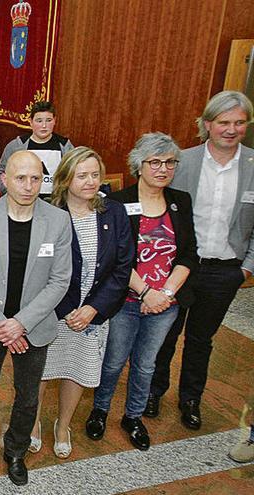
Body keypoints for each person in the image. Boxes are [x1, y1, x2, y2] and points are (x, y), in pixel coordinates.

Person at [0, 151, 72, 486]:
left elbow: (60, 280)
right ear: (4, 178)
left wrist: (20, 323)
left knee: (27, 394)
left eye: (35, 178)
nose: (27, 186)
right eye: (20, 178)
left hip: (33, 326)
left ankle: (16, 450)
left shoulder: (57, 220)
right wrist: (2, 325)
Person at [148, 91, 254, 430]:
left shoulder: (253, 166)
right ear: (208, 124)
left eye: (239, 123)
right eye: (224, 122)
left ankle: (190, 399)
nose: (231, 129)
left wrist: (246, 268)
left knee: (200, 339)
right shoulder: (182, 162)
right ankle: (152, 392)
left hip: (225, 271)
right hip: (179, 268)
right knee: (164, 334)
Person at [86, 132, 196, 452]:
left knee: (147, 363)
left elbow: (189, 254)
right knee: (113, 361)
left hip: (166, 302)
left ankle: (133, 416)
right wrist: (146, 291)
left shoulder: (181, 201)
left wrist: (165, 294)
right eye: (155, 162)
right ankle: (100, 410)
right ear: (139, 164)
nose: (163, 169)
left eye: (170, 162)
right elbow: (116, 257)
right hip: (126, 299)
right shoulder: (118, 203)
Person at [30, 147, 134, 459]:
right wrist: (65, 310)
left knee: (77, 370)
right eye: (82, 175)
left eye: (95, 175)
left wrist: (93, 309)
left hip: (93, 315)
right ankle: (33, 423)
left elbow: (122, 267)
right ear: (65, 178)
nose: (90, 181)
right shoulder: (47, 214)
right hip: (52, 311)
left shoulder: (113, 213)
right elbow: (38, 268)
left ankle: (63, 425)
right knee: (42, 371)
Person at [0, 101, 74, 197]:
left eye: (48, 120)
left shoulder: (65, 145)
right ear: (31, 121)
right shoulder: (17, 145)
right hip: (24, 202)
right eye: (39, 121)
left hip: (56, 203)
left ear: (55, 120)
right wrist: (12, 193)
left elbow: (74, 173)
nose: (44, 125)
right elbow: (1, 172)